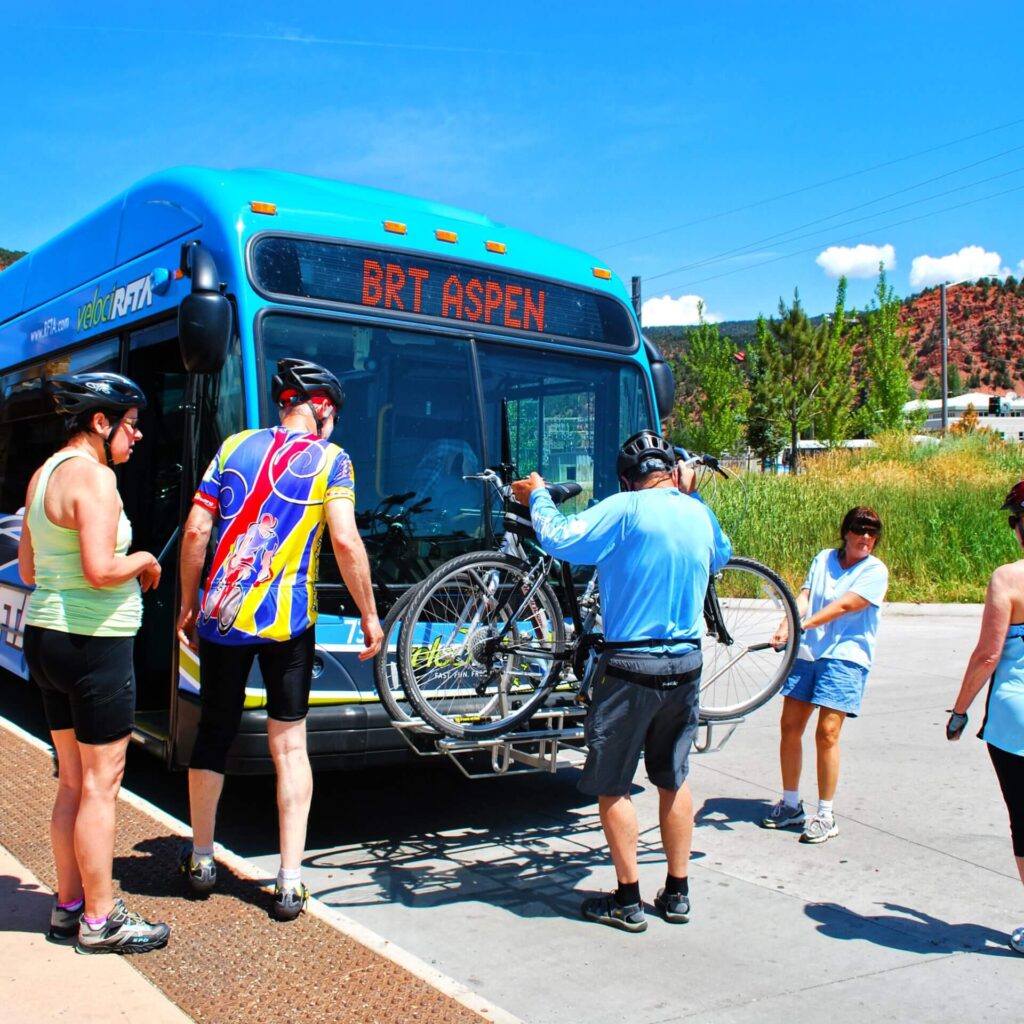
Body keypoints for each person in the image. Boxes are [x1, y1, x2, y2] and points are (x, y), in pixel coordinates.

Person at [176, 358, 383, 920]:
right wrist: (369, 614)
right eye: (333, 413)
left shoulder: (232, 447)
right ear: (319, 406)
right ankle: (289, 881)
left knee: (213, 732)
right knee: (289, 745)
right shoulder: (331, 460)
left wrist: (189, 604)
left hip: (222, 615)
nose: (333, 424)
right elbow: (344, 539)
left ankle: (200, 858)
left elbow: (196, 529)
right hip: (286, 621)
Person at [511, 431, 731, 933]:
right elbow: (720, 556)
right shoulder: (698, 513)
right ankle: (677, 893)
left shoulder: (627, 507)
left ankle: (627, 900)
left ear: (626, 478)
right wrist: (692, 494)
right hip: (687, 665)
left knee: (613, 786)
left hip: (631, 666)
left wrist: (537, 494)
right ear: (672, 471)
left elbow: (559, 538)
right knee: (673, 779)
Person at [17, 372, 170, 954]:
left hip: (47, 638)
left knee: (73, 782)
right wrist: (143, 559)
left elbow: (29, 572)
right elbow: (100, 570)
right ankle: (101, 922)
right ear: (100, 423)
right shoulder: (98, 480)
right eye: (129, 426)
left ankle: (68, 907)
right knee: (103, 785)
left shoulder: (44, 475)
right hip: (94, 643)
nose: (135, 438)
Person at [763, 506, 888, 844]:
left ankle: (826, 814)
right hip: (809, 653)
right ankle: (791, 805)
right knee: (789, 726)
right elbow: (804, 597)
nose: (866, 537)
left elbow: (846, 605)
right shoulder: (823, 559)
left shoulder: (875, 571)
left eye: (872, 532)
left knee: (827, 733)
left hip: (846, 657)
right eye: (860, 530)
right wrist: (787, 622)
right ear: (846, 531)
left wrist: (803, 625)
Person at [946, 482, 1024, 955]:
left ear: (1019, 528)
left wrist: (959, 711)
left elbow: (987, 655)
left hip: (1015, 719)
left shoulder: (1008, 579)